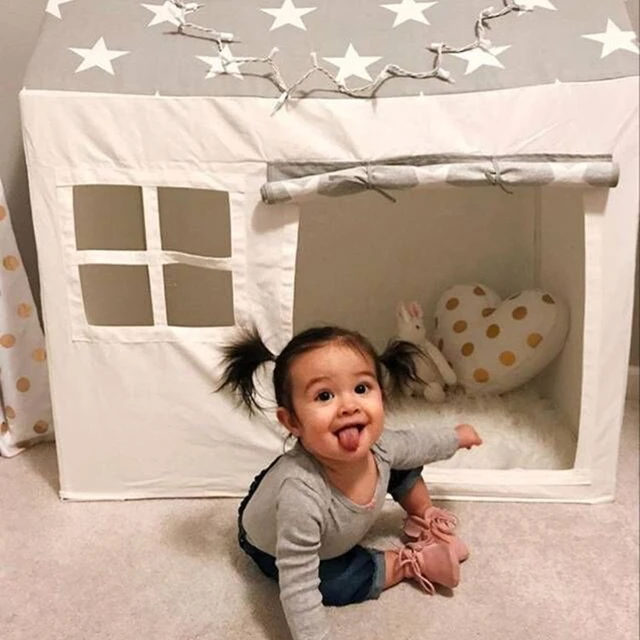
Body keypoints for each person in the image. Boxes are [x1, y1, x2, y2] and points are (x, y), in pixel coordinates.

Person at [217, 325, 482, 640]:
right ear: (291, 422)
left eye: (361, 388)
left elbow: (417, 442)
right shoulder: (301, 496)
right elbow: (298, 583)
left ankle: (425, 516)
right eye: (324, 396)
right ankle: (407, 563)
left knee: (401, 460)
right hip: (270, 542)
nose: (349, 406)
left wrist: (455, 437)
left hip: (291, 490)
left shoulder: (380, 445)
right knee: (335, 581)